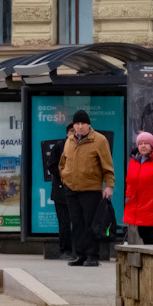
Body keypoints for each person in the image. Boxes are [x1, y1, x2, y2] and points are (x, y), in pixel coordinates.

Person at [58, 109, 115, 267]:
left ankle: (92, 256)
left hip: (91, 188)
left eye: (83, 123)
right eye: (77, 123)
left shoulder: (99, 140)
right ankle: (80, 254)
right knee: (76, 223)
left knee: (90, 223)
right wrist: (65, 177)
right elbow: (63, 162)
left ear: (89, 125)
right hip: (71, 188)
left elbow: (107, 165)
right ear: (73, 125)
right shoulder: (69, 140)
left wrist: (109, 186)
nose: (80, 126)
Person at [42, 138, 74, 261]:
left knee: (79, 223)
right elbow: (51, 167)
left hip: (79, 191)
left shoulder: (84, 147)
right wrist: (66, 173)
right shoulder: (59, 146)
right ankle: (66, 250)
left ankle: (80, 249)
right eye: (72, 131)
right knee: (64, 223)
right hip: (61, 192)